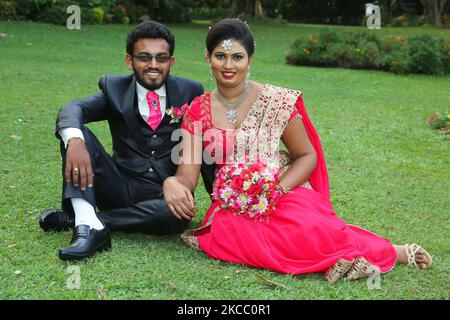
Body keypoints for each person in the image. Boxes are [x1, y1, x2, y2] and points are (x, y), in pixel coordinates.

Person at [162, 18, 432, 282]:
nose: (229, 65)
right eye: (220, 56)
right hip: (232, 206)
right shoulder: (199, 110)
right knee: (233, 235)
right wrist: (173, 182)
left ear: (250, 59)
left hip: (281, 191)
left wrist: (274, 191)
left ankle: (389, 251)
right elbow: (188, 173)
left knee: (305, 230)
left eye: (237, 57)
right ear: (208, 58)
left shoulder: (275, 102)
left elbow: (307, 155)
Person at [39, 20, 215, 261]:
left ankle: (85, 221)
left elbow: (202, 143)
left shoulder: (190, 91)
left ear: (170, 62)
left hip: (163, 196)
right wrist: (75, 141)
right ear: (129, 61)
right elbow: (74, 107)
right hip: (118, 186)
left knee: (176, 214)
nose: (153, 65)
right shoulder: (115, 89)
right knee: (77, 136)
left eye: (161, 58)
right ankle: (87, 225)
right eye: (144, 57)